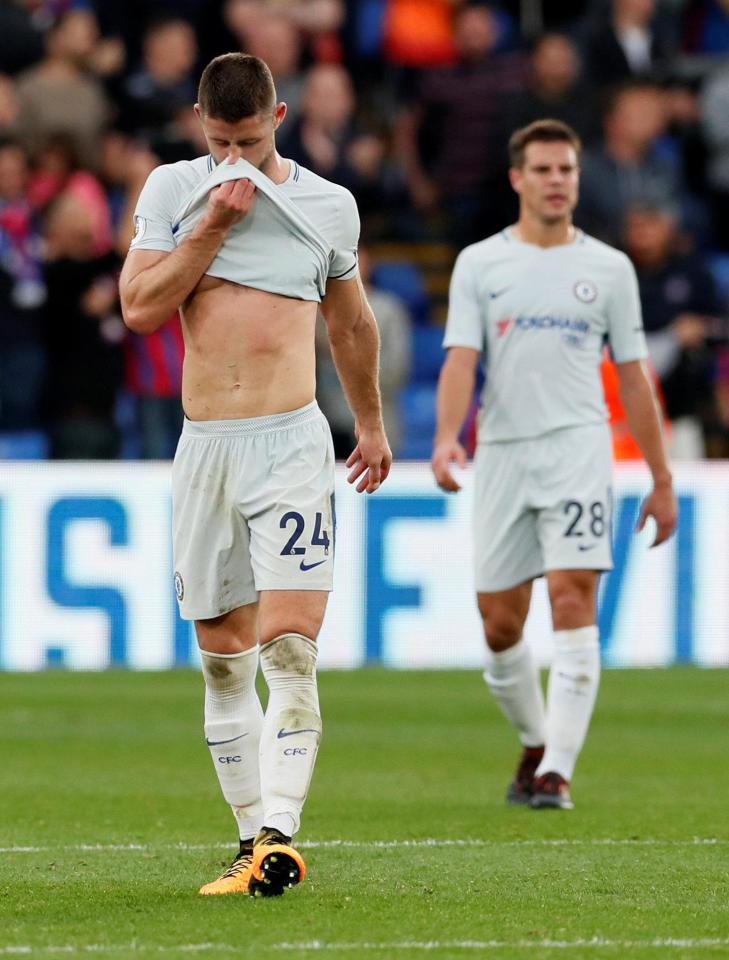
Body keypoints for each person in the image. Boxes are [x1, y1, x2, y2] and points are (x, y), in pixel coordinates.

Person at [119, 53, 391, 896]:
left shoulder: (327, 206)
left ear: (279, 118)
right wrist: (211, 228)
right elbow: (140, 309)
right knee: (223, 659)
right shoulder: (173, 191)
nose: (233, 158)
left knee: (289, 651)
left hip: (288, 445)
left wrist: (372, 423)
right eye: (218, 141)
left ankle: (279, 835)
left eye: (247, 140)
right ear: (198, 123)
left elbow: (350, 326)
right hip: (206, 448)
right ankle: (247, 842)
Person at [431, 119, 677, 811]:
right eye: (541, 169)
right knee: (498, 624)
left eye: (565, 169)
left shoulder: (607, 267)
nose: (554, 180)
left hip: (577, 450)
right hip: (504, 453)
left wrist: (660, 480)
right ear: (516, 178)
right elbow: (460, 358)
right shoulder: (480, 263)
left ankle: (555, 773)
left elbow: (632, 378)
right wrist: (448, 437)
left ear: (575, 177)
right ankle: (536, 742)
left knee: (572, 598)